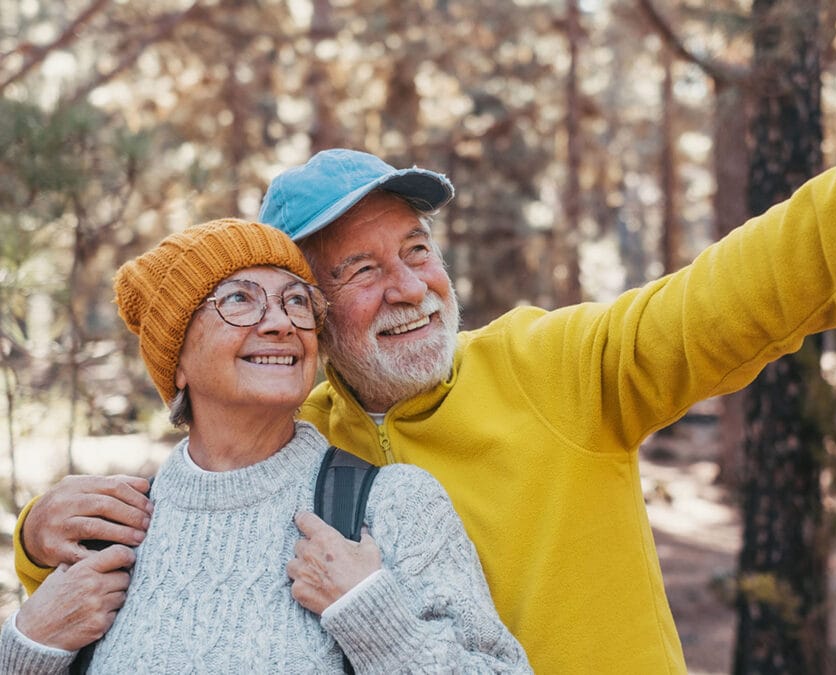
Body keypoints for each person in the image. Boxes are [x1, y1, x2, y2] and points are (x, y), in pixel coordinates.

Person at [13, 42, 836, 674]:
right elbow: (168, 579)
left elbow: (738, 294)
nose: (411, 287)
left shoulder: (557, 367)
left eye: (417, 249)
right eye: (361, 270)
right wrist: (35, 539)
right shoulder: (295, 444)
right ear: (312, 315)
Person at [0, 219, 530, 673]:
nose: (279, 323)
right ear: (176, 362)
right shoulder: (114, 529)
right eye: (239, 299)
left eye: (296, 301)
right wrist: (27, 646)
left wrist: (375, 617)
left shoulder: (392, 505)